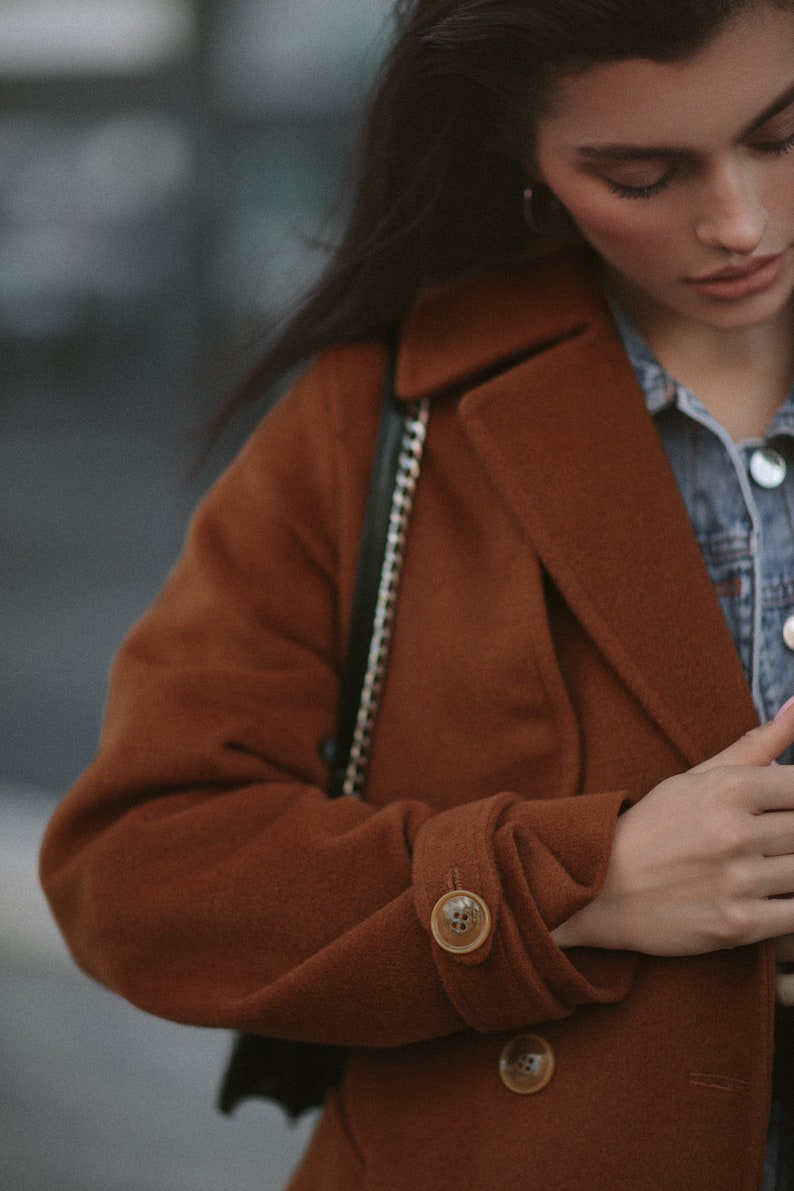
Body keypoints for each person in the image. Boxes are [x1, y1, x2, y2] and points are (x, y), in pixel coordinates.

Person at [39, 0, 794, 1186]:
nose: (738, 220)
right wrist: (570, 885)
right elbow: (139, 872)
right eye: (639, 174)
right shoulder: (379, 415)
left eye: (782, 135)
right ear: (522, 153)